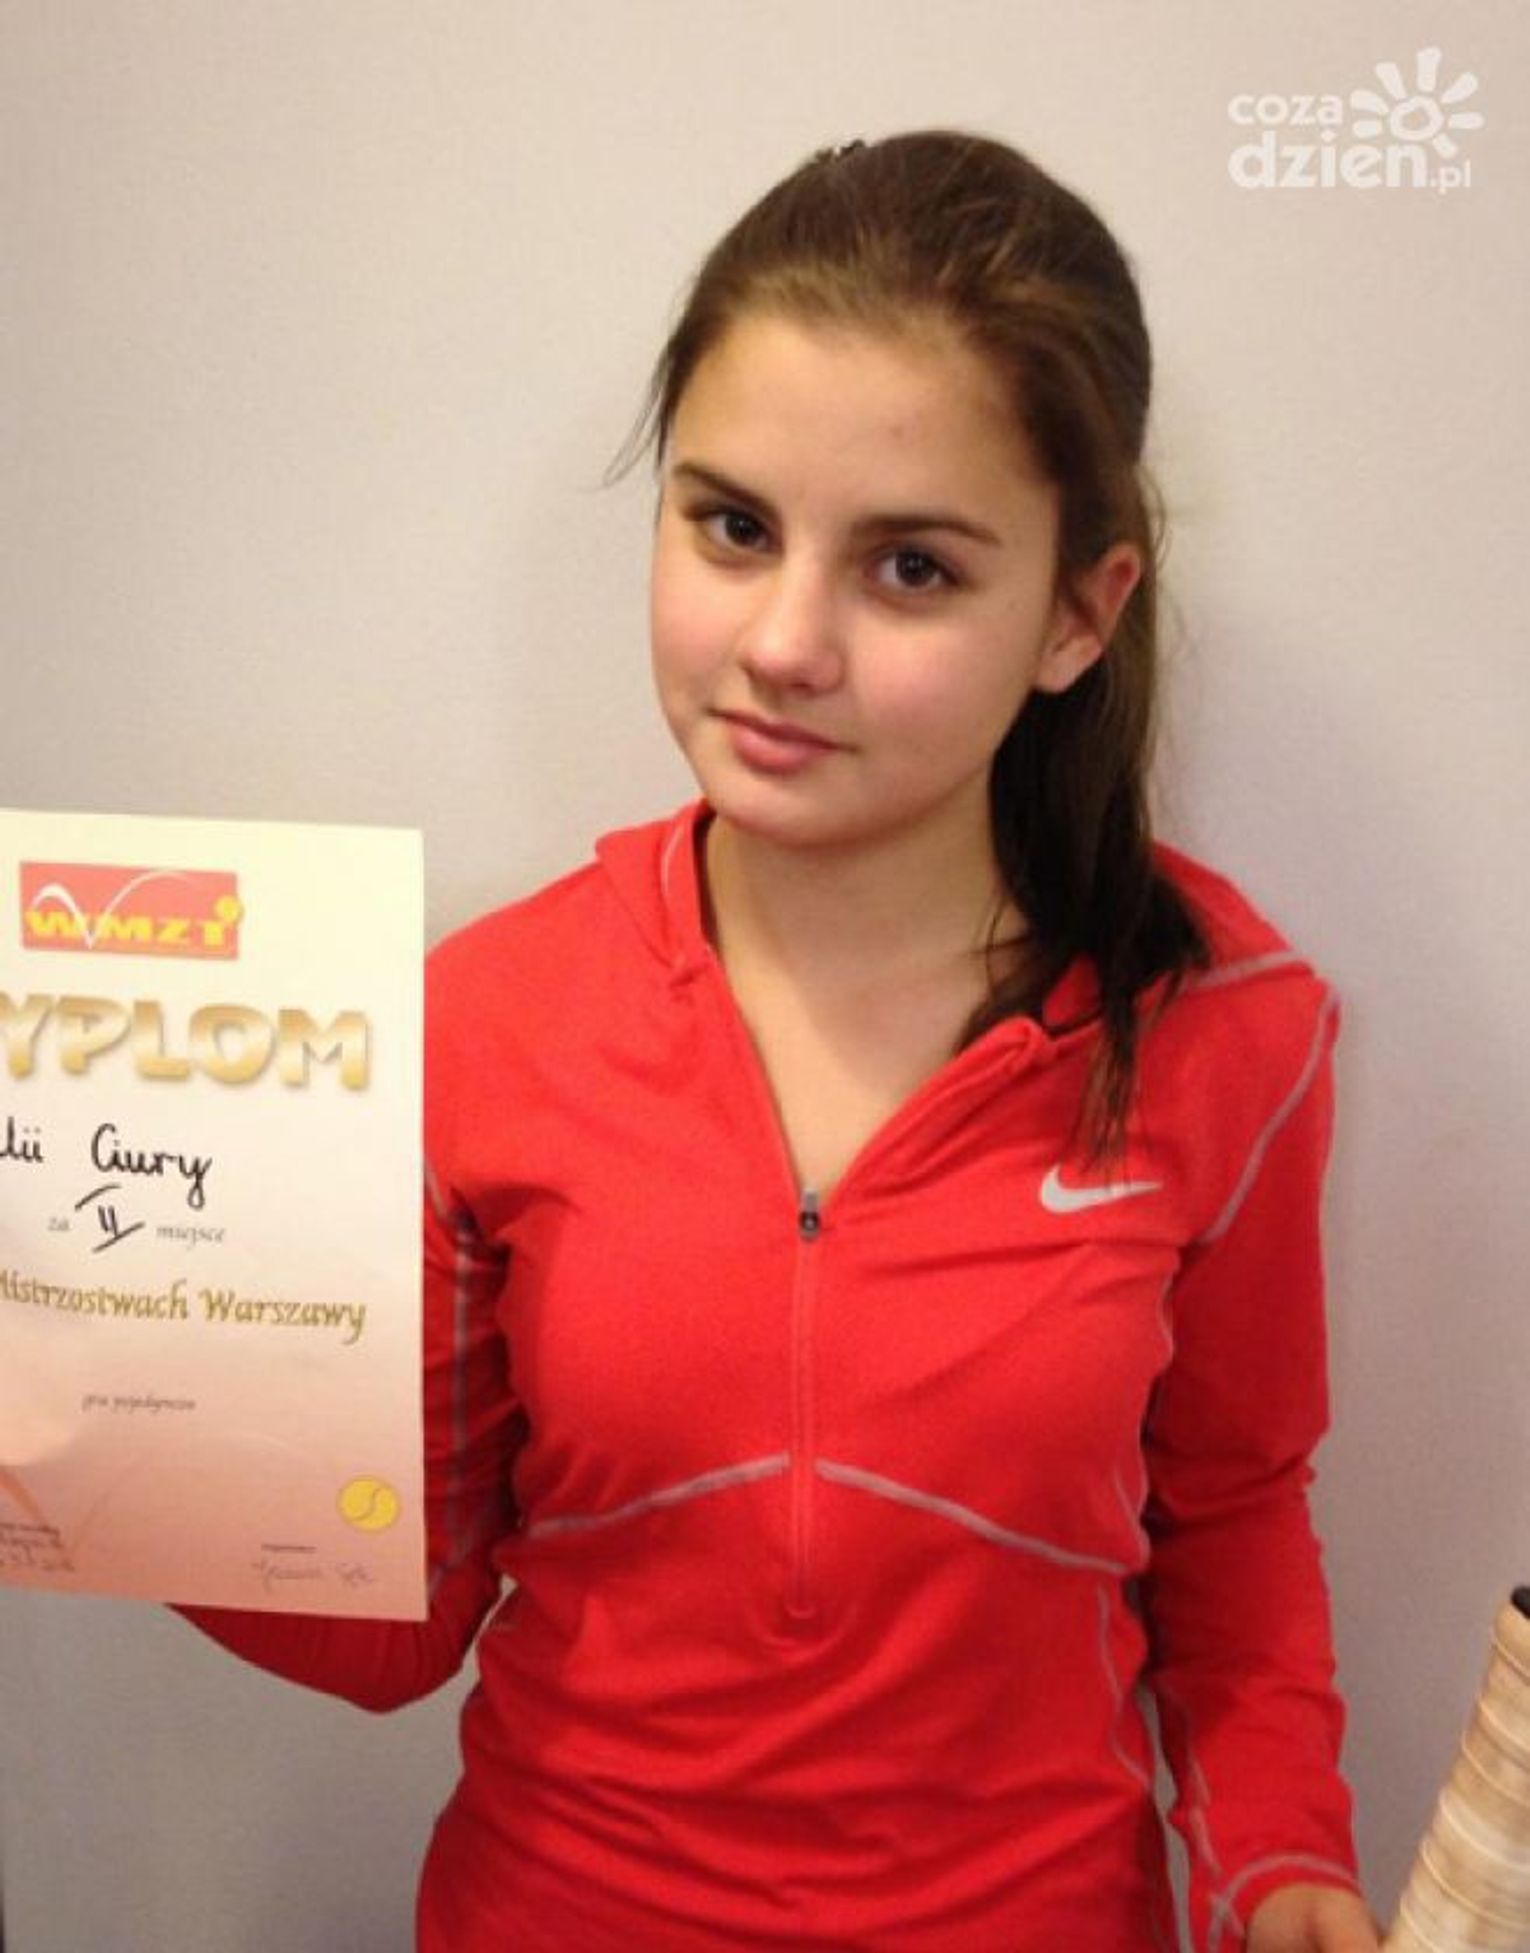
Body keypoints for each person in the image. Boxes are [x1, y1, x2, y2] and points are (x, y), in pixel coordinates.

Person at [182, 131, 1378, 1951]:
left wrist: (1278, 1857)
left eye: (909, 568)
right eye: (731, 527)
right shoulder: (477, 1021)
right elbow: (389, 1623)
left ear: (1078, 613)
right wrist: (97, 1439)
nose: (785, 644)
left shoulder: (1227, 1030)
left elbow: (1230, 1524)